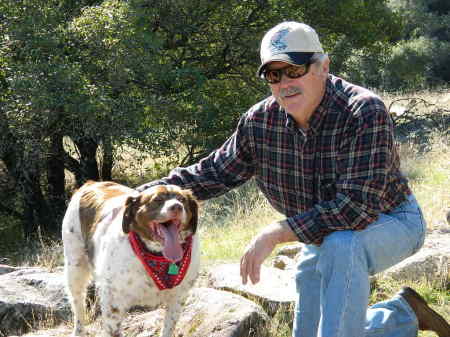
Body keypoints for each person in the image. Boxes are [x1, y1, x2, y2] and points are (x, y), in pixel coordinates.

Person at [137, 21, 450, 337]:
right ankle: (403, 314)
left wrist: (274, 234)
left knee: (343, 246)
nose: (284, 83)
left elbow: (355, 209)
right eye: (274, 74)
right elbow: (213, 173)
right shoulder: (259, 123)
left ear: (322, 67)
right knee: (311, 330)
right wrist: (135, 197)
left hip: (392, 221)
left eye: (294, 70)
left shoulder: (363, 111)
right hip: (321, 235)